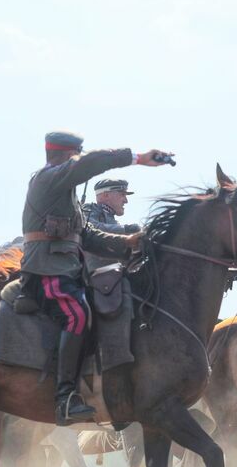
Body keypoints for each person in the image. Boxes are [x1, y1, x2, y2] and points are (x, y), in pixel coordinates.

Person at [20, 131, 173, 425]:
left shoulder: (65, 195)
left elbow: (86, 235)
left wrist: (127, 242)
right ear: (69, 155)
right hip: (46, 270)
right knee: (76, 315)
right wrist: (138, 158)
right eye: (77, 155)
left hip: (68, 271)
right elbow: (90, 163)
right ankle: (64, 397)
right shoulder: (48, 178)